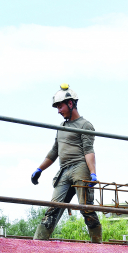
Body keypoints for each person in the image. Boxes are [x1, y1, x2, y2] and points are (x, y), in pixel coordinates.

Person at [31, 84, 102, 243]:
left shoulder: (85, 125)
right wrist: (39, 169)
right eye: (56, 107)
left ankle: (98, 245)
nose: (58, 110)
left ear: (71, 104)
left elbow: (89, 151)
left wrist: (93, 173)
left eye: (60, 106)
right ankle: (37, 243)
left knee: (87, 209)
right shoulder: (61, 127)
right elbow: (54, 151)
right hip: (64, 171)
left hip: (80, 168)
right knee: (53, 209)